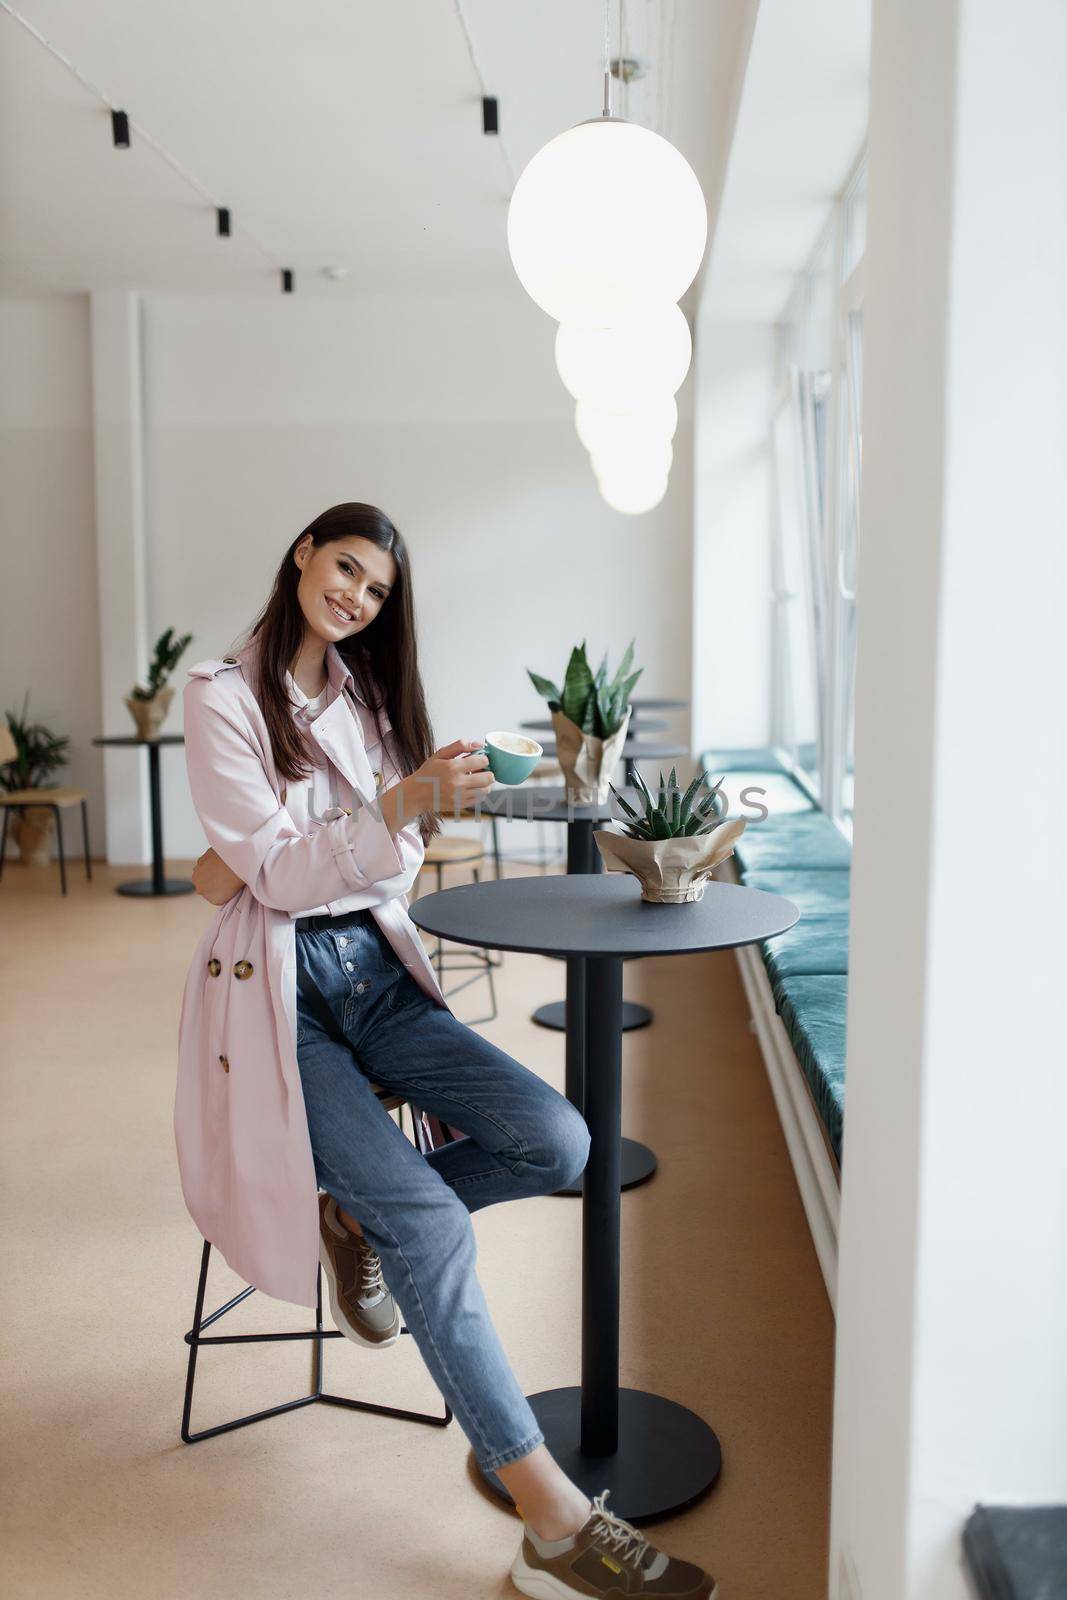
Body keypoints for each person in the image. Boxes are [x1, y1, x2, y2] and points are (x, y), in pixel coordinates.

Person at [176, 501, 718, 1599]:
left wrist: (367, 820)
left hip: (373, 971)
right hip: (278, 994)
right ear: (300, 556)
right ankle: (552, 1522)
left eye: (373, 590)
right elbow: (276, 883)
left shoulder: (367, 692)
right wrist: (360, 820)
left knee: (559, 1139)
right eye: (344, 570)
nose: (354, 598)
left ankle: (354, 1210)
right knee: (426, 1217)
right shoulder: (219, 698)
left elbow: (376, 871)